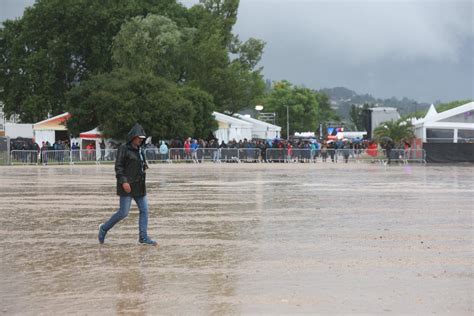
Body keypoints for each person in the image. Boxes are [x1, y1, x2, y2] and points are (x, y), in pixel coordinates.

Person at [98, 123, 157, 245]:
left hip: (140, 186)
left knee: (145, 210)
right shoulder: (123, 149)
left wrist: (144, 166)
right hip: (127, 186)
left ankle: (143, 237)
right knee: (123, 213)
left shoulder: (140, 150)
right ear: (132, 137)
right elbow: (118, 167)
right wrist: (124, 181)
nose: (140, 140)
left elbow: (140, 163)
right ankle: (104, 228)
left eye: (142, 138)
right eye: (138, 138)